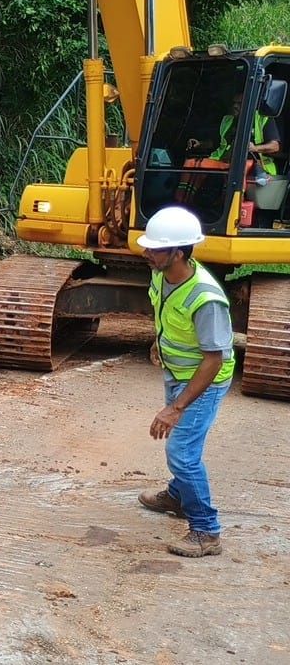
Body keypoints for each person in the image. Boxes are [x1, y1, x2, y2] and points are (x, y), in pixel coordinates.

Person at [135, 205, 234, 558]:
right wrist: (159, 342)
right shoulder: (162, 275)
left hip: (204, 382)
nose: (146, 253)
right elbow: (166, 315)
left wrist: (176, 407)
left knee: (182, 454)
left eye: (155, 249)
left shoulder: (206, 298)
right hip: (178, 373)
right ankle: (178, 497)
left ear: (178, 252)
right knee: (184, 449)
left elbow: (214, 358)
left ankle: (207, 531)